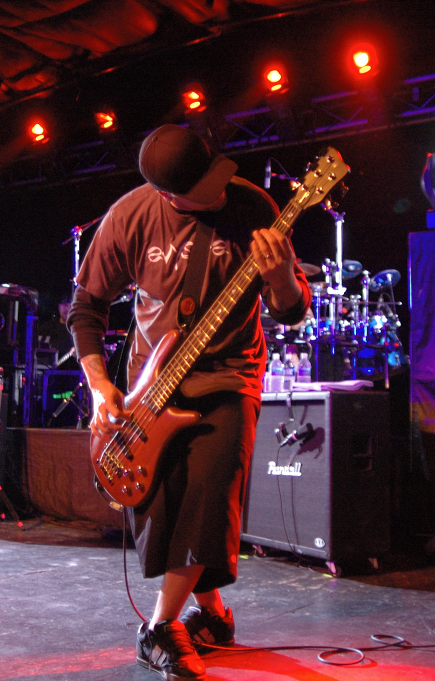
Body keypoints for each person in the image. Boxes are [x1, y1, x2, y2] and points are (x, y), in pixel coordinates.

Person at [68, 124, 310, 680]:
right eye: (203, 188)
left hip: (230, 375)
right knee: (167, 504)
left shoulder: (253, 204)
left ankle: (158, 629)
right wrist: (101, 387)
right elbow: (86, 308)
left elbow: (292, 309)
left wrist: (280, 281)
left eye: (216, 174)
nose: (219, 189)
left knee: (211, 494)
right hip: (152, 387)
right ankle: (214, 615)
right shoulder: (129, 217)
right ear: (169, 195)